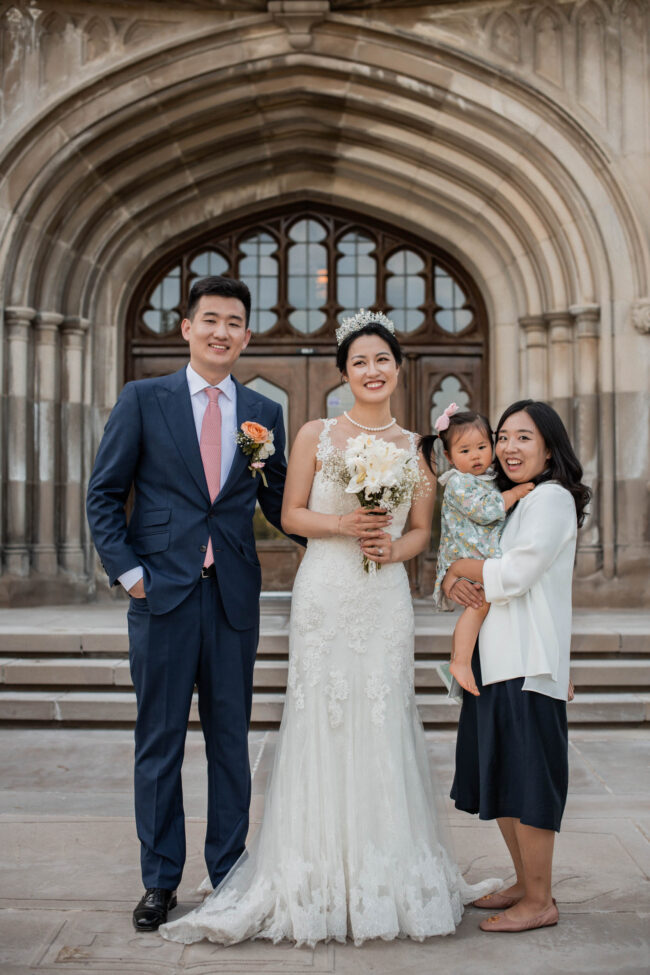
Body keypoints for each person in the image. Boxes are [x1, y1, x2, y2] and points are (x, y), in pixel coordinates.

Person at [160, 309, 500, 947]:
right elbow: (291, 511)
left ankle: (386, 872)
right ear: (344, 373)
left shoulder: (416, 451)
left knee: (382, 717)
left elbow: (421, 531)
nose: (372, 371)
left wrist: (390, 550)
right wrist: (345, 526)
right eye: (360, 362)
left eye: (382, 360)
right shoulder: (317, 431)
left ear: (397, 369)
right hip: (325, 591)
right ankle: (311, 873)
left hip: (383, 597)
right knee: (323, 718)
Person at [86, 275, 299, 932]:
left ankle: (230, 873)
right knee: (160, 743)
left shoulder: (264, 410)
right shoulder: (143, 399)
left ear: (246, 334)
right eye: (210, 319)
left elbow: (278, 501)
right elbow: (103, 493)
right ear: (187, 328)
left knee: (232, 743)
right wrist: (130, 575)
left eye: (234, 321)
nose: (221, 331)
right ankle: (160, 881)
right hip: (163, 596)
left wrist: (350, 529)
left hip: (233, 596)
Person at [430, 400, 590, 933]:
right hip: (495, 657)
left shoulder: (549, 498)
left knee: (530, 782)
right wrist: (456, 578)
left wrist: (453, 564)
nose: (507, 447)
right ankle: (524, 883)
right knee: (501, 777)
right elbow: (487, 565)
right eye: (502, 436)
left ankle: (541, 900)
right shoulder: (504, 501)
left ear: (549, 446)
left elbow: (515, 573)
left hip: (526, 660)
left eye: (523, 437)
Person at [424, 405, 534, 696]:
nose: (475, 456)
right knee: (479, 606)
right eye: (465, 451)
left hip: (483, 555)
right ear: (449, 457)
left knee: (490, 610)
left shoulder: (489, 476)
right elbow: (485, 511)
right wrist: (513, 494)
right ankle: (459, 661)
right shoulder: (459, 482)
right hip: (466, 556)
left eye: (482, 447)